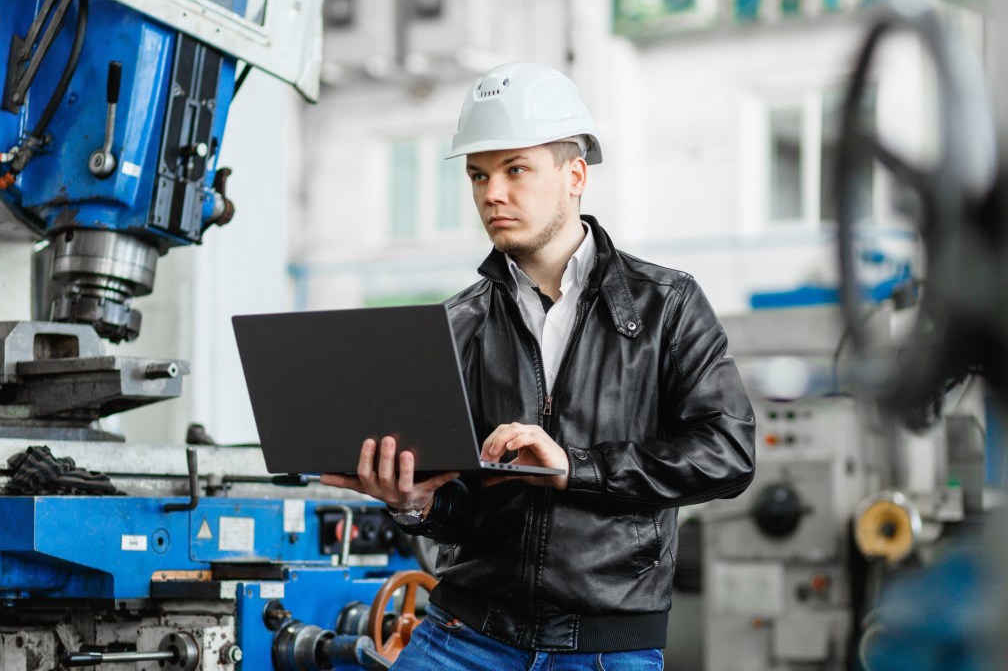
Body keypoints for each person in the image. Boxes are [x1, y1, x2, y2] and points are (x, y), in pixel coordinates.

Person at [321, 62, 756, 670]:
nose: (491, 193)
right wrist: (413, 503)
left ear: (574, 174)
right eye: (479, 175)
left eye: (515, 169)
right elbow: (463, 504)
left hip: (605, 649)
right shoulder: (458, 323)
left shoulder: (668, 305)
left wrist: (573, 469)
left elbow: (727, 454)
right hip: (464, 636)